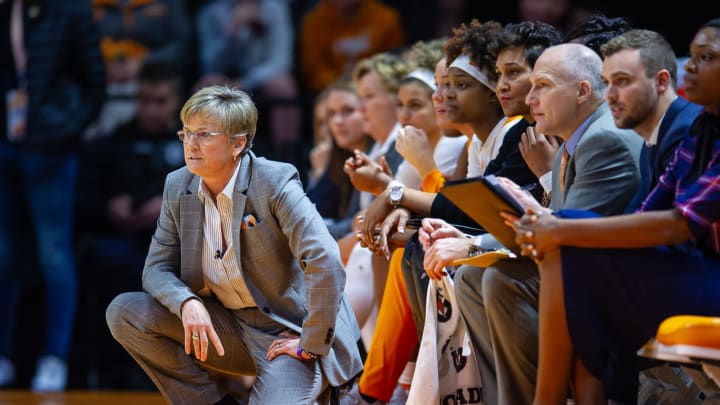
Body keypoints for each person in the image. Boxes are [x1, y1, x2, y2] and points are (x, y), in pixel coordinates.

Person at [106, 85, 363, 404]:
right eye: (186, 133)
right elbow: (156, 268)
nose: (191, 144)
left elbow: (324, 258)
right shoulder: (178, 184)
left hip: (287, 329)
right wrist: (187, 302)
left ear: (238, 143)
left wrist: (311, 340)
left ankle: (331, 388)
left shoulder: (273, 181)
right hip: (226, 325)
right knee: (125, 312)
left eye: (204, 134)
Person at [509, 18, 720, 405]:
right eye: (607, 83)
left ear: (659, 82)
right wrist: (561, 230)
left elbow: (679, 226)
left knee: (571, 245)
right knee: (577, 257)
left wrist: (560, 230)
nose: (689, 66)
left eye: (706, 57)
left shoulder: (683, 125)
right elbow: (647, 209)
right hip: (695, 271)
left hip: (707, 276)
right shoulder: (701, 127)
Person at [453, 43, 644, 405]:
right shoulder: (569, 144)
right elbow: (557, 227)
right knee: (472, 276)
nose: (531, 97)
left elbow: (566, 234)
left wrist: (528, 220)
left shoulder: (604, 139)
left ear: (582, 91)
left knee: (502, 280)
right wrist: (473, 246)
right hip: (581, 267)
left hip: (618, 280)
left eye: (542, 85)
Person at [0, 0, 106, 391]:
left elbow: (95, 86)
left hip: (51, 149)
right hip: (6, 143)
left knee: (54, 253)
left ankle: (55, 356)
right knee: (4, 253)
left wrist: (62, 130)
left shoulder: (71, 10)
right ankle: (4, 355)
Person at [601, 29, 702, 210]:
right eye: (606, 83)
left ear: (661, 81)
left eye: (622, 80)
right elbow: (636, 217)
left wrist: (558, 223)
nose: (609, 95)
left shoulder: (687, 131)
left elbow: (665, 229)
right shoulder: (652, 137)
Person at [194, 0, 301, 156]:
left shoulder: (275, 9)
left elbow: (280, 62)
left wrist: (245, 83)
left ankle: (288, 157)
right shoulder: (211, 13)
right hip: (227, 79)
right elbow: (211, 65)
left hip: (262, 80)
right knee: (204, 86)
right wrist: (233, 32)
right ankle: (208, 158)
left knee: (283, 87)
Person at [299, 0, 406, 93]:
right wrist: (339, 82)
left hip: (377, 86)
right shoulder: (314, 22)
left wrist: (368, 79)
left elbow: (393, 61)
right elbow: (314, 69)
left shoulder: (386, 18)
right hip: (331, 89)